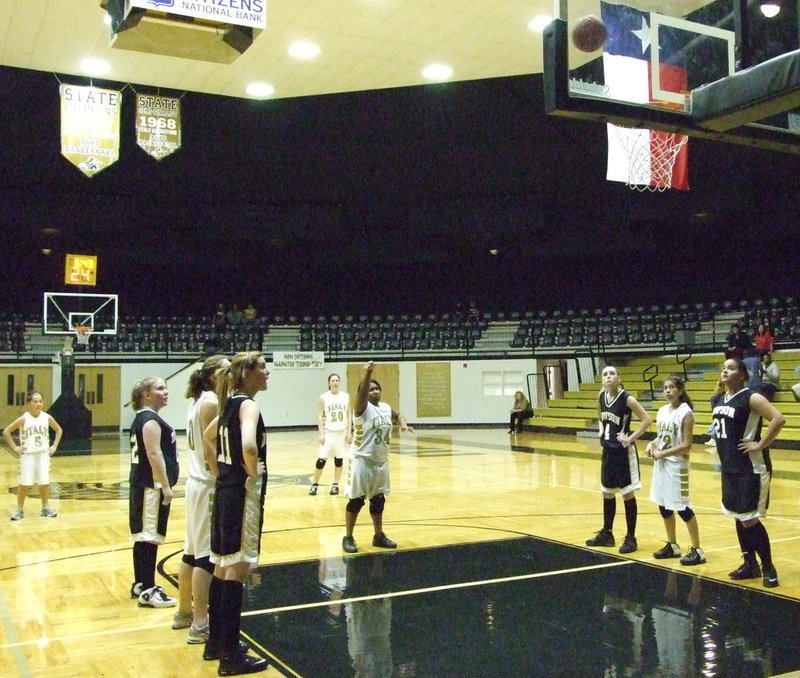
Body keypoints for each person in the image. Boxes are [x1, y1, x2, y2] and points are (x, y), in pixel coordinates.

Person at [202, 351, 269, 675]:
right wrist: (253, 474)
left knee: (220, 566)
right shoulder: (247, 405)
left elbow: (207, 436)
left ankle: (216, 642)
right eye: (263, 368)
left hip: (225, 491)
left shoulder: (227, 405)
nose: (268, 373)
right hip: (242, 492)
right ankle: (231, 657)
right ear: (248, 374)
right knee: (237, 570)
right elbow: (248, 445)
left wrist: (218, 470)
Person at [712, 357, 785, 588]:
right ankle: (749, 563)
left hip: (751, 468)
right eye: (723, 368)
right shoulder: (717, 399)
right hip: (729, 466)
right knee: (737, 514)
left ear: (743, 375)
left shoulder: (751, 396)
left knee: (750, 519)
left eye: (731, 368)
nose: (725, 371)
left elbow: (778, 418)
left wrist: (760, 444)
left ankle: (768, 567)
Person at [172, 355, 230, 643]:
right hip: (206, 484)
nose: (231, 373)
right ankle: (199, 624)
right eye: (225, 370)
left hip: (195, 484)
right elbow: (211, 451)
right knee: (206, 558)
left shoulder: (197, 400)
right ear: (211, 376)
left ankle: (183, 612)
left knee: (191, 552)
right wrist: (223, 479)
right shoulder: (210, 402)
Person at [342, 361, 413, 554]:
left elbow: (398, 414)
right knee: (356, 501)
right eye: (370, 389)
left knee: (378, 500)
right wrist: (368, 373)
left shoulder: (385, 407)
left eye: (377, 388)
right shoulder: (361, 408)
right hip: (361, 460)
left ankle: (378, 535)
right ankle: (348, 537)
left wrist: (404, 424)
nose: (374, 391)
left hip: (381, 461)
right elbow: (363, 392)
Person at [585, 365, 652, 554]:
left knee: (627, 494)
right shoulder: (601, 397)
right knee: (607, 492)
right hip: (608, 451)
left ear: (619, 378)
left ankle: (631, 538)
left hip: (624, 453)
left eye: (612, 373)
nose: (608, 376)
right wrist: (600, 429)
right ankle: (607, 533)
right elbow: (600, 417)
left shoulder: (627, 398)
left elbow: (647, 420)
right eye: (605, 374)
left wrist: (630, 438)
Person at [129, 377, 179, 608]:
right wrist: (166, 486)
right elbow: (154, 454)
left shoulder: (143, 419)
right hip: (151, 486)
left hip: (143, 485)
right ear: (146, 395)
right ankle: (149, 590)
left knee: (143, 537)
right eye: (160, 388)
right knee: (149, 537)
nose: (165, 392)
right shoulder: (149, 421)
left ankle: (141, 583)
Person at [646, 377, 705, 566]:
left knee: (683, 507)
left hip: (677, 466)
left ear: (680, 390)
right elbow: (662, 436)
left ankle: (698, 549)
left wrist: (662, 452)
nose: (668, 391)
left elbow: (687, 445)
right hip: (661, 464)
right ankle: (672, 545)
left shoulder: (686, 413)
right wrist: (652, 443)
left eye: (671, 387)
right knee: (663, 506)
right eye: (665, 388)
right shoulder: (663, 410)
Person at [2, 391, 62, 520]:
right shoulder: (24, 418)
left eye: (40, 401)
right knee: (24, 484)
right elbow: (6, 432)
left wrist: (54, 446)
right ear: (29, 403)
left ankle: (45, 507)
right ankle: (19, 510)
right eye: (35, 402)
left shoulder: (47, 417)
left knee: (44, 483)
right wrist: (15, 447)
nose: (38, 404)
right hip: (28, 455)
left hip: (43, 454)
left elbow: (59, 430)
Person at [309, 373, 352, 496]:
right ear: (329, 383)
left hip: (342, 432)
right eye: (333, 380)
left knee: (339, 460)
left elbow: (349, 414)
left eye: (337, 380)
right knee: (321, 460)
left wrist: (349, 431)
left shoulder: (345, 396)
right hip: (329, 431)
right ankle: (315, 484)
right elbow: (319, 415)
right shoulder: (324, 397)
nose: (335, 382)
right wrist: (321, 433)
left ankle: (335, 484)